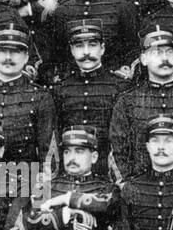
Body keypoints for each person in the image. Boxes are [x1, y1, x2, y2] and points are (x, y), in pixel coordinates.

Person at [108, 29, 173, 182]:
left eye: (169, 52)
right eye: (157, 53)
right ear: (143, 59)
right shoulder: (127, 101)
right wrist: (126, 187)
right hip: (139, 189)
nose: (164, 58)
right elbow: (118, 150)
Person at [0, 27, 55, 166]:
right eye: (2, 51)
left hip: (25, 178)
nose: (8, 57)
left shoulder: (40, 96)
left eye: (15, 52)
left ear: (26, 57)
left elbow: (47, 148)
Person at [52, 21, 128, 176]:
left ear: (103, 48)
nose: (86, 52)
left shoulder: (121, 86)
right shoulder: (60, 89)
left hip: (108, 170)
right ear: (72, 50)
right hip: (70, 170)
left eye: (92, 45)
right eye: (79, 46)